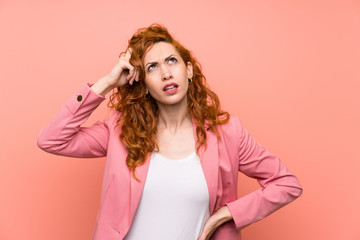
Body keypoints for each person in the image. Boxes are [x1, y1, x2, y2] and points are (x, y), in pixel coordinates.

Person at [37, 23, 302, 240]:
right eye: (152, 67)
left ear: (188, 70)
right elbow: (52, 139)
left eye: (172, 61)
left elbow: (286, 183)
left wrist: (226, 214)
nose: (165, 73)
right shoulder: (120, 131)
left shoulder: (228, 133)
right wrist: (106, 82)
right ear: (141, 80)